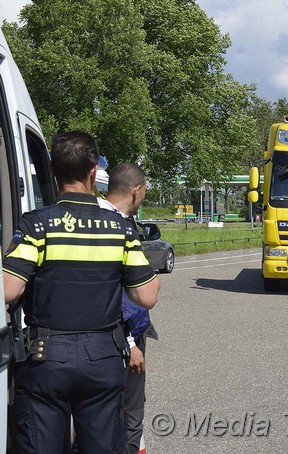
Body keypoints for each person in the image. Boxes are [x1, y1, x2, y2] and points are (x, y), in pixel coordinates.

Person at [3, 131, 159, 454]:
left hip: (46, 360)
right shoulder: (121, 229)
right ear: (92, 172)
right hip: (103, 358)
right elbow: (147, 296)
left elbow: (8, 290)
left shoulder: (36, 226)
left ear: (52, 169)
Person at [98, 163, 158, 454]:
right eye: (145, 191)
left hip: (98, 338)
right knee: (130, 413)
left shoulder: (95, 219)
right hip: (122, 337)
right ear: (136, 191)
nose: (144, 196)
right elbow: (124, 295)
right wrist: (132, 343)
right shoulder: (118, 227)